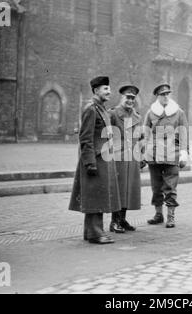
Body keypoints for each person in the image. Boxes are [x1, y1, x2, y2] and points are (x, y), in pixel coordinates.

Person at [69, 77, 121, 245]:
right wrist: (90, 163)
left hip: (102, 159)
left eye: (109, 88)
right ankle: (96, 233)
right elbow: (85, 138)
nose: (109, 91)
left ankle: (91, 232)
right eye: (106, 88)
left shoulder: (101, 109)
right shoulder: (91, 109)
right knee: (95, 197)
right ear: (96, 90)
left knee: (98, 195)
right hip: (95, 160)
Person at [144, 84, 188, 229]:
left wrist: (184, 152)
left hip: (172, 154)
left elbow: (183, 133)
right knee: (156, 187)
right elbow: (146, 134)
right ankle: (158, 214)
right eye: (163, 94)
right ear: (157, 96)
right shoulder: (151, 113)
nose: (166, 97)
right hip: (154, 154)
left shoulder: (179, 112)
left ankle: (170, 217)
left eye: (167, 94)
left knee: (170, 187)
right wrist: (144, 151)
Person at [108, 85, 144, 233]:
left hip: (133, 158)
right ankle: (114, 221)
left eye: (132, 98)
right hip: (118, 158)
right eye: (127, 97)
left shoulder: (137, 117)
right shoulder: (113, 114)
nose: (130, 100)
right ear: (121, 97)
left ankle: (122, 219)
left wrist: (142, 156)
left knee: (129, 189)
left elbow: (141, 138)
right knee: (118, 190)